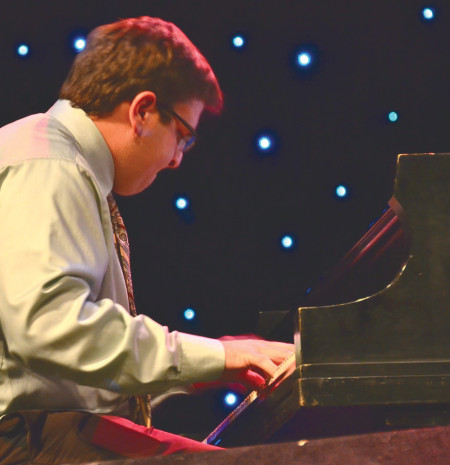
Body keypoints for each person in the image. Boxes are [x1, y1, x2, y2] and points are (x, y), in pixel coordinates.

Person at [0, 16, 293, 464]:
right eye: (183, 136)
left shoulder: (59, 159)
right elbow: (48, 329)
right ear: (141, 110)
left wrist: (201, 370)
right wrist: (216, 356)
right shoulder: (49, 163)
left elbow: (64, 363)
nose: (177, 159)